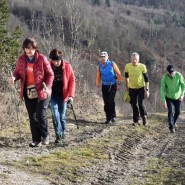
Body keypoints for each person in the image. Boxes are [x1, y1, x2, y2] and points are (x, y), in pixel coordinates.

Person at [11, 38, 54, 147]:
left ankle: (45, 135)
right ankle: (36, 140)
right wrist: (14, 78)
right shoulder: (21, 59)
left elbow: (50, 74)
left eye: (30, 48)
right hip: (28, 92)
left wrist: (48, 87)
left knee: (40, 114)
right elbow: (17, 72)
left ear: (35, 48)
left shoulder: (42, 59)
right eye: (26, 48)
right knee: (32, 116)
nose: (28, 51)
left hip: (42, 91)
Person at [49, 49, 75, 143]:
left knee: (62, 116)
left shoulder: (67, 66)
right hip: (52, 95)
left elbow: (72, 81)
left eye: (58, 60)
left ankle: (62, 132)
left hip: (64, 95)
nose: (56, 63)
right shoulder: (48, 66)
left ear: (61, 59)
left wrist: (71, 96)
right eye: (54, 60)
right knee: (55, 116)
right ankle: (58, 136)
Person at [96, 51, 122, 124]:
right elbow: (98, 76)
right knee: (106, 102)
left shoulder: (112, 64)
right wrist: (97, 86)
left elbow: (118, 73)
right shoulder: (99, 66)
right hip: (104, 86)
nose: (103, 58)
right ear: (100, 58)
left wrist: (119, 83)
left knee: (111, 101)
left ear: (107, 57)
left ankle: (113, 116)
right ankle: (108, 118)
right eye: (102, 57)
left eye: (104, 57)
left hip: (113, 85)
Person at [124, 52, 149, 126]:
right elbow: (126, 77)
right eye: (133, 59)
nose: (134, 61)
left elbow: (147, 79)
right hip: (131, 88)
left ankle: (144, 116)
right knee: (134, 104)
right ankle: (136, 120)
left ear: (138, 59)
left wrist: (147, 90)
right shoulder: (127, 66)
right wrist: (127, 87)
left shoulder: (142, 66)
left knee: (140, 104)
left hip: (141, 87)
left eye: (136, 59)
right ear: (131, 59)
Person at [160, 65, 185, 133]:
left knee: (178, 111)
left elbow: (183, 86)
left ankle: (173, 123)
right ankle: (171, 127)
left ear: (174, 71)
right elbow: (162, 89)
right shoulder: (164, 77)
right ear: (167, 72)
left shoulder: (179, 75)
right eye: (170, 73)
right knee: (170, 111)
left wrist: (182, 95)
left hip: (178, 97)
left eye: (172, 72)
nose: (171, 74)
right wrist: (163, 100)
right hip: (169, 97)